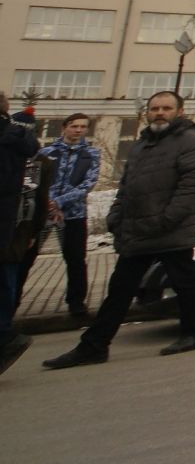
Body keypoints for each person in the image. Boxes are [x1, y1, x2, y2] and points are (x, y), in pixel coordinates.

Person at [44, 92, 195, 368]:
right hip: (136, 228)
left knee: (185, 281)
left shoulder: (192, 140)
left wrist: (166, 219)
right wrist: (115, 216)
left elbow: (194, 183)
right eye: (155, 108)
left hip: (169, 228)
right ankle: (94, 346)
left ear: (180, 112)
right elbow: (127, 185)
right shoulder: (143, 143)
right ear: (147, 112)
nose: (159, 112)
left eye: (166, 108)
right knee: (120, 288)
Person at [1, 106, 53, 376]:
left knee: (9, 279)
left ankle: (6, 335)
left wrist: (34, 231)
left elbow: (34, 195)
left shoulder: (17, 148)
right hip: (11, 227)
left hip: (16, 227)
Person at [40, 113, 102, 321]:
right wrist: (48, 202)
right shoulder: (47, 153)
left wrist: (60, 202)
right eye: (74, 126)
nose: (78, 130)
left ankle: (76, 302)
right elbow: (35, 180)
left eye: (83, 127)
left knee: (75, 259)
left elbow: (88, 184)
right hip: (43, 214)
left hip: (74, 214)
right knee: (26, 258)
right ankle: (12, 301)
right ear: (64, 127)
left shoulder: (91, 154)